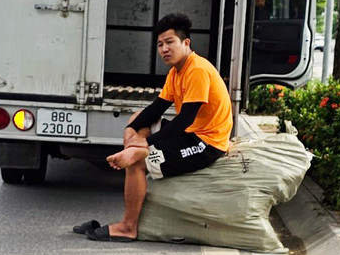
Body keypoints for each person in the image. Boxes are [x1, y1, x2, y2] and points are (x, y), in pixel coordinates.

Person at [78, 13, 232, 242]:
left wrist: (146, 143)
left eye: (170, 42)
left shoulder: (197, 69)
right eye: (160, 44)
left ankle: (128, 227)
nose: (164, 49)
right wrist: (130, 130)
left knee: (138, 161)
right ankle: (133, 153)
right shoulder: (176, 72)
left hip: (207, 143)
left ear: (186, 43)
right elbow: (156, 108)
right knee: (139, 118)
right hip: (191, 134)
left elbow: (186, 119)